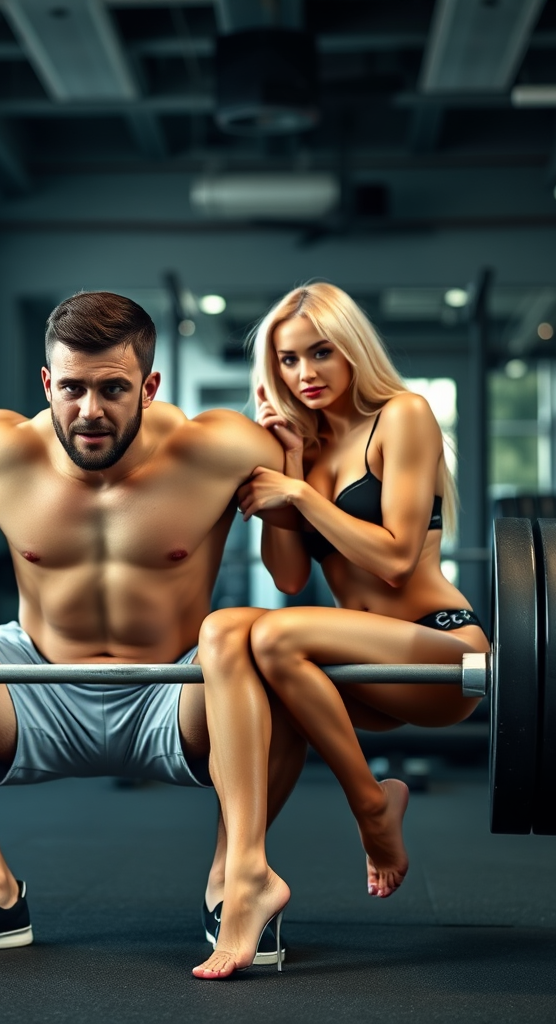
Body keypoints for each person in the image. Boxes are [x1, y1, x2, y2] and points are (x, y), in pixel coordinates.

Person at [0, 290, 307, 962]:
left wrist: (294, 479)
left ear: (149, 386)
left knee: (281, 666)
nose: (90, 410)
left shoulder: (220, 447)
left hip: (177, 686)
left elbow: (291, 576)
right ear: (47, 382)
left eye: (113, 389)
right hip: (38, 679)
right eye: (71, 388)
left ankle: (232, 884)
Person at [192, 282, 491, 979]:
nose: (305, 375)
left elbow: (393, 556)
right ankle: (238, 878)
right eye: (289, 361)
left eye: (321, 352)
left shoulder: (403, 416)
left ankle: (371, 810)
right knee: (244, 650)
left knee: (268, 638)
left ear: (352, 347)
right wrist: (292, 465)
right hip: (354, 671)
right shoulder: (309, 441)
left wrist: (298, 495)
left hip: (439, 650)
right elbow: (290, 576)